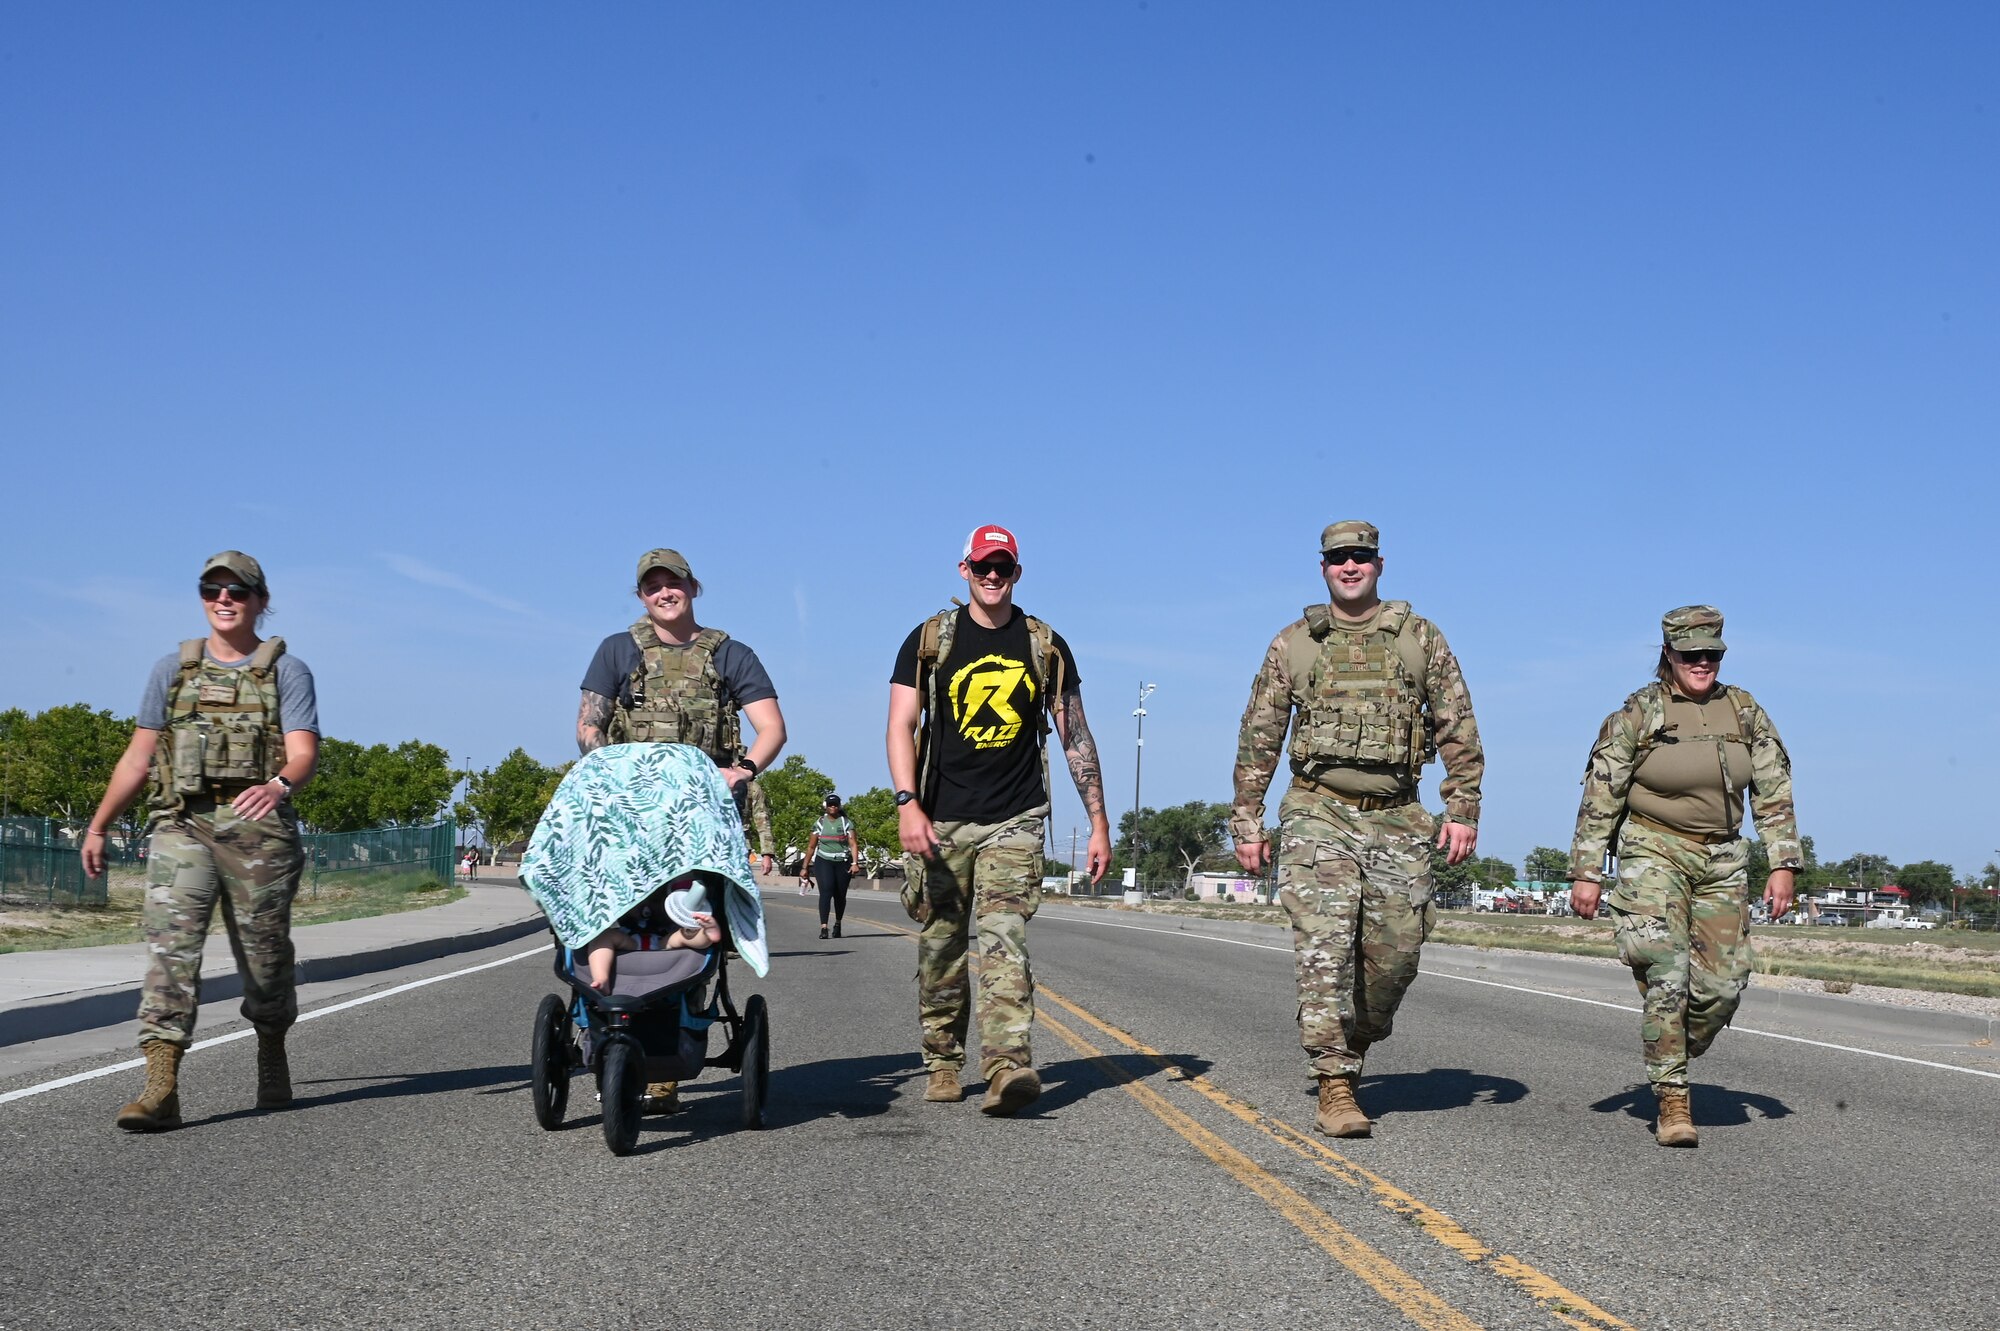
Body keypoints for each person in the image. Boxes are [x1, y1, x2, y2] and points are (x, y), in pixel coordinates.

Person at [1231, 520, 1484, 1139]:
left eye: (1361, 558)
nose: (1350, 567)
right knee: (1324, 947)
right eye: (1339, 558)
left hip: (1399, 816)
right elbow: (1259, 736)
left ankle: (1358, 1039)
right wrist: (1247, 819)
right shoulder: (1294, 644)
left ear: (1379, 564)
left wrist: (1463, 808)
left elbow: (1458, 727)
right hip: (1318, 810)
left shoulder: (1419, 639)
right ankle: (1335, 1081)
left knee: (1395, 957)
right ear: (1323, 567)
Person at [80, 552, 321, 1132]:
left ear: (261, 600)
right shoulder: (173, 670)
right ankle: (161, 1086)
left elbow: (304, 752)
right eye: (212, 588)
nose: (224, 598)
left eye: (237, 590)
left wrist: (279, 784)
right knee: (170, 950)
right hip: (182, 825)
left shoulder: (287, 672)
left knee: (264, 962)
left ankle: (271, 1048)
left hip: (257, 833)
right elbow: (139, 757)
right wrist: (99, 823)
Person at [887, 524, 1111, 1115]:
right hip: (940, 820)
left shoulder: (1044, 646)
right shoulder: (929, 639)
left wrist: (1098, 823)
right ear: (964, 570)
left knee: (1005, 940)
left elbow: (1076, 736)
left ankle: (1007, 1066)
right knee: (940, 945)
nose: (992, 577)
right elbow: (900, 725)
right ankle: (940, 1059)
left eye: (1003, 568)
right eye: (983, 567)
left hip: (1016, 816)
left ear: (1017, 573)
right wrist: (908, 804)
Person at [1567, 606, 1800, 1148]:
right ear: (1667, 654)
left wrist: (1783, 862)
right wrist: (1587, 871)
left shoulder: (1745, 712)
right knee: (1666, 974)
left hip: (1722, 859)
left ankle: (1665, 1045)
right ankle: (1673, 1099)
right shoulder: (1639, 713)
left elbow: (1773, 789)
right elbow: (1601, 794)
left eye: (1711, 654)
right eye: (1690, 654)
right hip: (1653, 849)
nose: (1701, 663)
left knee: (1722, 988)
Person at [576, 546, 787, 1107]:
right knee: (619, 904)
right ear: (642, 595)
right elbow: (588, 728)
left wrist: (738, 772)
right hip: (631, 812)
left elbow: (771, 728)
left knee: (690, 910)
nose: (664, 593)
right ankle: (614, 1029)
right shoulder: (617, 650)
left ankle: (669, 1053)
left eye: (674, 584)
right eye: (653, 587)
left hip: (702, 813)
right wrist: (613, 775)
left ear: (693, 588)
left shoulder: (730, 654)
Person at [582, 883, 723, 991]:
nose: (646, 909)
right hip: (630, 942)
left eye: (654, 902)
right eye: (638, 903)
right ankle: (601, 978)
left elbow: (682, 934)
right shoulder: (623, 927)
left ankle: (706, 934)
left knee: (684, 935)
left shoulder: (668, 925)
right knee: (604, 938)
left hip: (662, 941)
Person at [804, 793, 860, 939]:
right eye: (830, 805)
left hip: (842, 862)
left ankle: (838, 923)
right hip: (824, 861)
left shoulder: (846, 822)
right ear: (826, 806)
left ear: (839, 806)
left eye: (835, 805)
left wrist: (855, 863)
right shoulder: (820, 823)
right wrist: (805, 867)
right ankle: (824, 927)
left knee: (840, 896)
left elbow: (853, 844)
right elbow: (811, 846)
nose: (833, 807)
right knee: (826, 891)